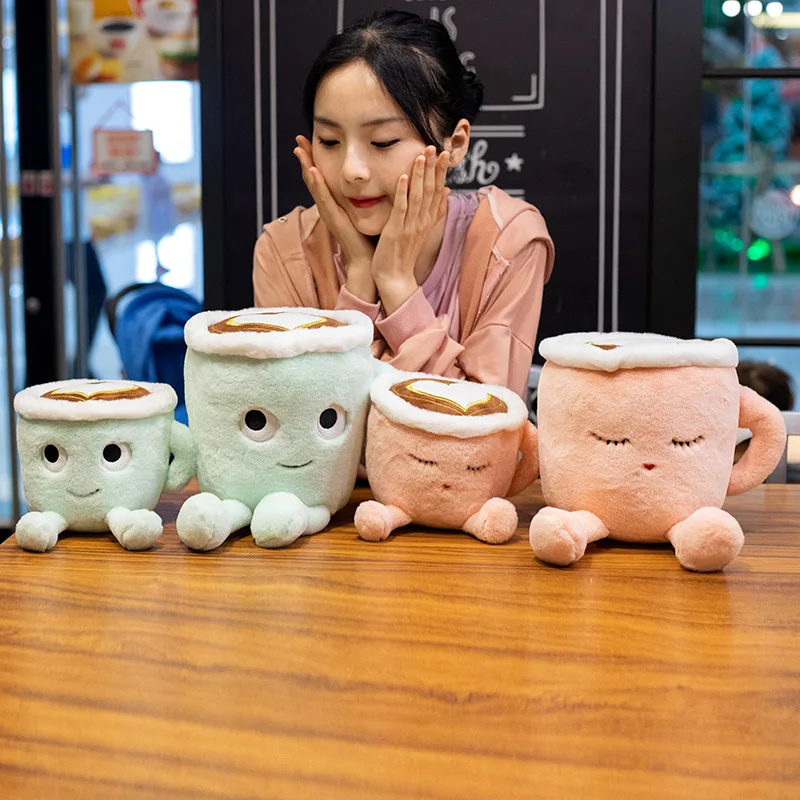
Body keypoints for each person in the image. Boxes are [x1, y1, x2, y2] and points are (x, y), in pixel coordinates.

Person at [253, 10, 554, 398]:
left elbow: (487, 420)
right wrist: (360, 278)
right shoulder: (283, 251)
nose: (351, 170)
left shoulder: (508, 243)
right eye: (329, 141)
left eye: (383, 142)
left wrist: (395, 282)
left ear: (455, 143)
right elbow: (297, 420)